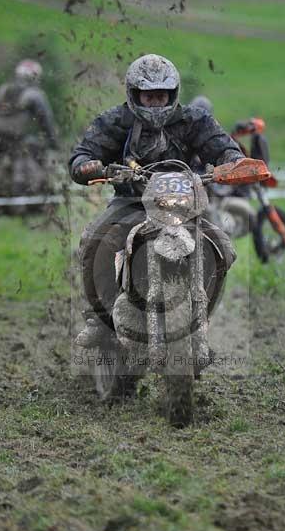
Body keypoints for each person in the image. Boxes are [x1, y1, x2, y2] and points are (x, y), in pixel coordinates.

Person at [69, 53, 244, 348]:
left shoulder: (192, 119)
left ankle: (203, 314)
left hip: (183, 205)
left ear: (172, 94)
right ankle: (98, 318)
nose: (155, 102)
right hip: (131, 203)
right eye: (148, 96)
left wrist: (234, 162)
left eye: (161, 95)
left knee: (222, 248)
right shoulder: (116, 121)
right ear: (135, 94)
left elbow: (223, 147)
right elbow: (82, 154)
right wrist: (87, 165)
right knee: (93, 240)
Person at [0, 59, 59, 202]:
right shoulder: (35, 94)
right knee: (25, 160)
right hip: (14, 138)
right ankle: (21, 196)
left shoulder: (4, 88)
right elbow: (46, 121)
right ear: (36, 76)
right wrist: (54, 143)